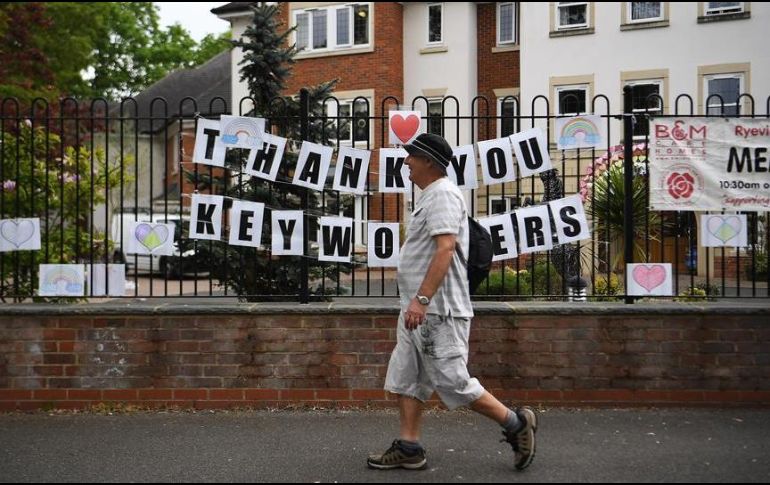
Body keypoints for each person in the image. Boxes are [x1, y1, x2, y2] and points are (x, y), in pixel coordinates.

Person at [366, 133, 538, 472]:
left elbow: (445, 248)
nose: (406, 162)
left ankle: (516, 424)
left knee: (453, 381)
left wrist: (423, 299)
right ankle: (409, 447)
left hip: (436, 310)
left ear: (429, 161)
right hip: (417, 310)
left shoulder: (443, 194)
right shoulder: (430, 195)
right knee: (408, 376)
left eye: (411, 156)